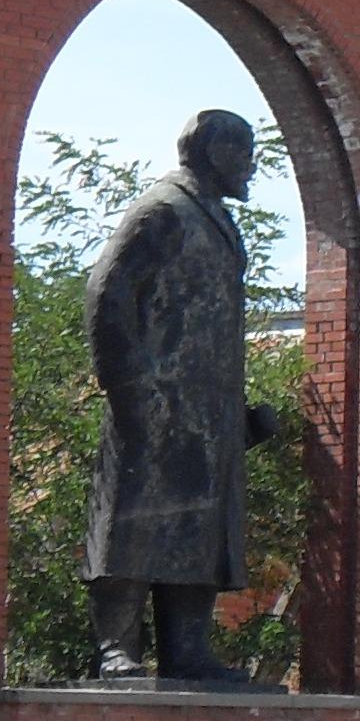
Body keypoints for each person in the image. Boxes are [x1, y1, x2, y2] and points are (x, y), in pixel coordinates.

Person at [80, 109, 278, 686]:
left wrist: (236, 414)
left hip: (205, 413)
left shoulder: (215, 220)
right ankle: (115, 649)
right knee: (133, 522)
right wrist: (131, 388)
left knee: (199, 530)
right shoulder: (163, 211)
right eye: (243, 151)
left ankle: (187, 651)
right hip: (154, 404)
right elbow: (106, 290)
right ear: (214, 150)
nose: (251, 164)